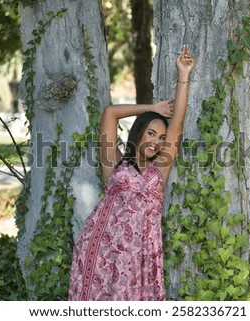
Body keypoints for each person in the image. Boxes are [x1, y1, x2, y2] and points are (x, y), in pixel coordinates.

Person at [68, 45, 194, 301]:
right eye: (150, 133)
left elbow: (177, 121)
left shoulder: (160, 169)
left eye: (161, 138)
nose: (156, 142)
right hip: (101, 249)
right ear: (138, 133)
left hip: (140, 255)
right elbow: (110, 113)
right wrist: (154, 108)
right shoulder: (114, 164)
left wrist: (184, 74)